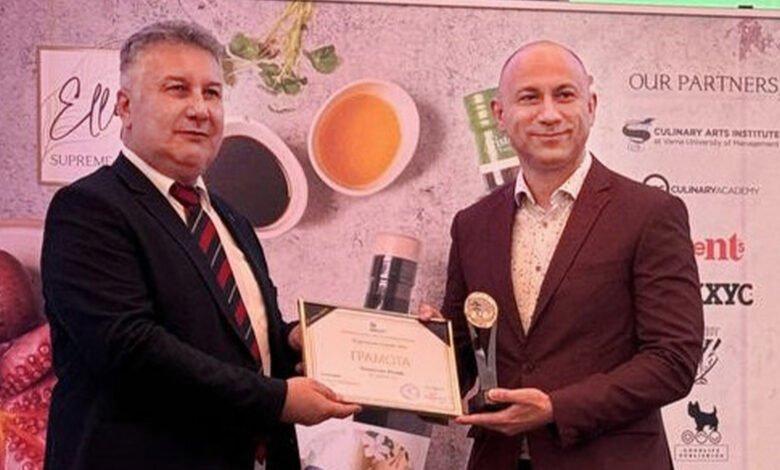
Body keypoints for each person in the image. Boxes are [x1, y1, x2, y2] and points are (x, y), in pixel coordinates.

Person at [41, 20, 359, 470]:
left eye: (212, 93)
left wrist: (291, 341)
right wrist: (278, 401)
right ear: (125, 106)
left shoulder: (230, 219)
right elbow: (131, 350)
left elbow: (236, 343)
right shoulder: (90, 208)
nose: (200, 109)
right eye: (178, 89)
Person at [420, 40, 703, 469]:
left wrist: (556, 407)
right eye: (529, 97)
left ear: (591, 105)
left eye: (565, 94)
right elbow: (464, 358)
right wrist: (426, 350)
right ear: (500, 114)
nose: (549, 114)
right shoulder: (472, 224)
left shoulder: (650, 213)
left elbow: (673, 361)